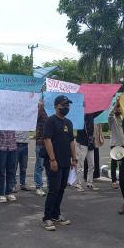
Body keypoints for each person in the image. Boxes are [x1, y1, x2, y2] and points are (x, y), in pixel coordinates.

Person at [42, 95, 76, 231]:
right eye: (63, 105)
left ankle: (56, 214)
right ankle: (47, 217)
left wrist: (74, 158)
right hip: (53, 162)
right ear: (56, 106)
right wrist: (52, 160)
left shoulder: (68, 122)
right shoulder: (51, 121)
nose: (66, 107)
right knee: (53, 189)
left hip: (65, 161)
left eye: (68, 105)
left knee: (61, 188)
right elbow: (47, 140)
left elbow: (71, 141)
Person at [74, 114, 95, 191]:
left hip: (90, 143)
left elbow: (100, 109)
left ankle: (89, 183)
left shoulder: (91, 114)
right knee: (80, 164)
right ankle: (78, 184)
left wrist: (108, 103)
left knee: (92, 164)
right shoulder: (78, 115)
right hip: (82, 142)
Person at [108, 98, 124, 189]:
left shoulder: (123, 119)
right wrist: (116, 104)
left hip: (123, 144)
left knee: (123, 164)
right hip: (114, 144)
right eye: (117, 109)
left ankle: (123, 181)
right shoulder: (112, 120)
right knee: (114, 163)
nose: (118, 110)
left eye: (119, 108)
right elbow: (110, 114)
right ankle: (114, 181)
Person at [33, 100, 48, 196]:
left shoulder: (53, 111)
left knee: (50, 166)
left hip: (52, 143)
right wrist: (40, 108)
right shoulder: (40, 111)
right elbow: (33, 120)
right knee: (39, 166)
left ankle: (51, 185)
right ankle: (39, 186)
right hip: (41, 143)